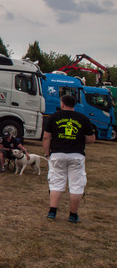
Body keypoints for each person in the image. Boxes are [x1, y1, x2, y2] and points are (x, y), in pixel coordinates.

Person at [43, 94, 95, 223]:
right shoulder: (83, 119)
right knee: (76, 185)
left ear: (62, 103)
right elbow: (91, 139)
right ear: (74, 105)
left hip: (57, 154)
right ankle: (73, 215)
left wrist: (47, 154)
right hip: (76, 155)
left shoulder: (53, 117)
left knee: (56, 183)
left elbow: (46, 137)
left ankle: (52, 211)